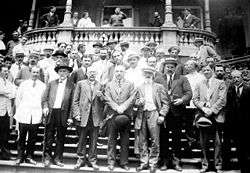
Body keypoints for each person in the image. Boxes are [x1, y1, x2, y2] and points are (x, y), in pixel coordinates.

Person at [159, 58, 192, 172]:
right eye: (167, 67)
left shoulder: (182, 78)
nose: (169, 69)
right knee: (163, 137)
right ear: (164, 67)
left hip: (177, 112)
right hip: (163, 113)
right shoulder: (158, 78)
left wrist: (182, 100)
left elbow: (189, 93)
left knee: (176, 138)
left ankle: (176, 161)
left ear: (175, 68)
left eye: (172, 67)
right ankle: (164, 161)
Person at [193, 63, 227, 173]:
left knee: (217, 142)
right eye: (204, 70)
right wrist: (204, 109)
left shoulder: (220, 83)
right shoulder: (199, 84)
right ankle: (205, 164)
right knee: (203, 141)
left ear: (212, 70)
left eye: (208, 70)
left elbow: (222, 100)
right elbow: (195, 99)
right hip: (203, 115)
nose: (206, 72)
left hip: (216, 116)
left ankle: (217, 165)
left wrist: (211, 110)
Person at [135, 66, 169, 173]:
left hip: (154, 113)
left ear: (153, 75)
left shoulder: (159, 87)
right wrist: (138, 102)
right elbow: (134, 102)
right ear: (143, 75)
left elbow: (165, 103)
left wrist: (162, 115)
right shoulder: (139, 87)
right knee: (142, 140)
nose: (148, 75)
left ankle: (153, 162)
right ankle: (143, 162)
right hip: (142, 114)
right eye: (146, 73)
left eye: (150, 73)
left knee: (155, 140)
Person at [70, 66, 104, 170]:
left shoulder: (100, 85)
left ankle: (92, 161)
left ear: (96, 74)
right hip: (83, 116)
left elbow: (104, 102)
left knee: (94, 141)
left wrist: (101, 96)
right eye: (90, 72)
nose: (92, 74)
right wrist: (76, 114)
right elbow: (75, 100)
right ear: (87, 74)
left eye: (94, 72)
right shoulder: (80, 84)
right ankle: (80, 159)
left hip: (95, 117)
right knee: (81, 139)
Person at [42, 61, 74, 167]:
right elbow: (44, 98)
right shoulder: (52, 83)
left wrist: (70, 117)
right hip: (51, 112)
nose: (62, 73)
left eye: (64, 71)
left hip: (63, 113)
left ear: (68, 73)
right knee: (49, 136)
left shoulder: (71, 85)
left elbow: (73, 103)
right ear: (58, 72)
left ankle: (57, 158)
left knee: (61, 137)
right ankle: (47, 157)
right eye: (60, 71)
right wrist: (45, 107)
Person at [104, 65, 136, 171]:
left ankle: (123, 162)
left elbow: (132, 98)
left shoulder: (130, 84)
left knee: (125, 140)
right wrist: (116, 107)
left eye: (121, 71)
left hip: (125, 115)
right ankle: (111, 162)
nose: (118, 73)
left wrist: (123, 107)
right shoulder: (109, 84)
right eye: (117, 71)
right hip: (112, 115)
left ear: (124, 73)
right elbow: (107, 98)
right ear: (114, 73)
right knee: (111, 140)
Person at [14, 66, 46, 165]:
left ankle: (29, 156)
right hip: (24, 114)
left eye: (37, 72)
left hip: (36, 115)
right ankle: (20, 156)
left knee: (32, 138)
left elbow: (43, 100)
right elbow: (18, 99)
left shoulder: (43, 86)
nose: (35, 74)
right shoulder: (23, 84)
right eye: (34, 72)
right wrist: (20, 111)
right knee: (22, 137)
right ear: (30, 72)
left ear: (39, 74)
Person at [224, 70, 250, 173]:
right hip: (231, 121)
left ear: (241, 77)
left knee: (243, 145)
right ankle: (227, 165)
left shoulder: (248, 89)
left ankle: (244, 166)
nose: (235, 79)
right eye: (234, 78)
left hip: (244, 122)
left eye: (237, 77)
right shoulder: (229, 89)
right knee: (227, 143)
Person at [0, 65, 16, 160]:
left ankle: (4, 153)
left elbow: (13, 93)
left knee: (5, 133)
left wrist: (6, 93)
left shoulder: (9, 83)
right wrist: (7, 93)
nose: (6, 73)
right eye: (4, 71)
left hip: (7, 111)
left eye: (7, 71)